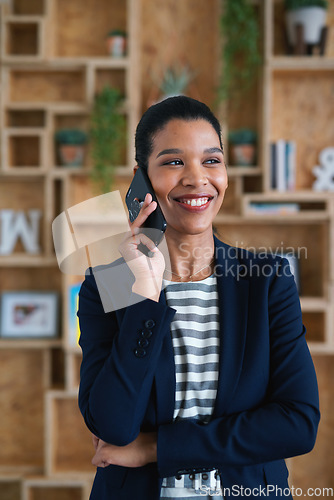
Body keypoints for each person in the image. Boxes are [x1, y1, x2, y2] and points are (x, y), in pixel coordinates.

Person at [77, 96, 320, 500]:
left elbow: (297, 423)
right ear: (141, 179)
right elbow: (112, 427)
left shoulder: (266, 281)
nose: (196, 178)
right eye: (174, 162)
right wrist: (145, 298)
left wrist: (156, 448)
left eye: (211, 160)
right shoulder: (108, 285)